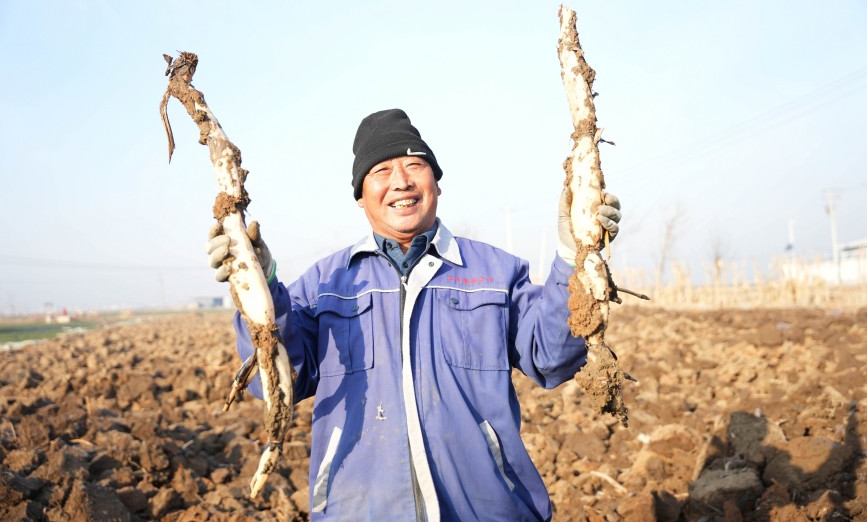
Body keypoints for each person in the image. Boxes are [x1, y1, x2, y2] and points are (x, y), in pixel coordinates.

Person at [206, 108, 622, 522]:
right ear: (360, 195)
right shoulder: (326, 284)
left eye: (415, 165)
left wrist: (576, 256)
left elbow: (552, 356)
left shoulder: (496, 273)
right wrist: (257, 287)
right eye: (381, 170)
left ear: (436, 183)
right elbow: (278, 381)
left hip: (485, 510)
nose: (401, 181)